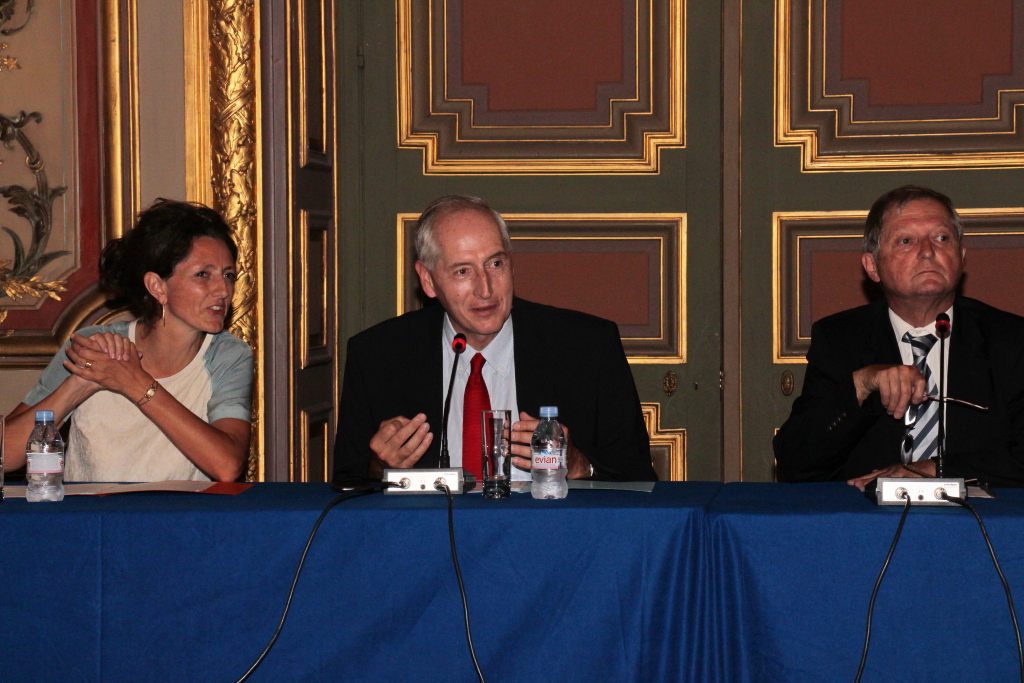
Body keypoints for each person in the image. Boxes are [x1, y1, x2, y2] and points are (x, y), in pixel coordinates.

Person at [333, 195, 656, 483]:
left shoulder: (587, 346)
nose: (485, 289)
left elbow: (637, 476)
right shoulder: (377, 355)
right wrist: (381, 467)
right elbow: (347, 484)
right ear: (428, 280)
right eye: (463, 271)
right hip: (429, 543)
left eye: (495, 264)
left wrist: (577, 465)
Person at [774, 185, 1024, 489]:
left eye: (941, 238)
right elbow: (795, 464)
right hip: (869, 527)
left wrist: (936, 471)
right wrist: (860, 385)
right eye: (906, 241)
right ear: (872, 267)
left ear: (961, 256)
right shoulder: (840, 338)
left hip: (978, 525)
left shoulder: (1011, 339)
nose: (928, 251)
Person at [2, 199, 253, 482]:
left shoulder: (228, 355)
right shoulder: (92, 346)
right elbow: (5, 456)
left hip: (183, 522)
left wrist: (133, 381)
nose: (223, 290)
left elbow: (227, 466)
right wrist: (81, 384)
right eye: (203, 275)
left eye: (228, 275)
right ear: (157, 286)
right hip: (91, 522)